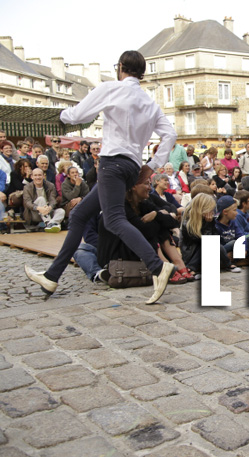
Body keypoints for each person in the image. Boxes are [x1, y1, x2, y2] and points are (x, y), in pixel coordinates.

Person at [25, 50, 177, 304]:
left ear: (120, 67)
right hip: (131, 166)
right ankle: (52, 276)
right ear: (141, 73)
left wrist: (58, 116)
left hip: (112, 163)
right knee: (79, 215)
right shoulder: (150, 103)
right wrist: (151, 166)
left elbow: (78, 115)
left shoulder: (111, 88)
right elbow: (170, 135)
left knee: (114, 219)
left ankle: (157, 266)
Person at [22, 168, 65, 232]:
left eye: (39, 175)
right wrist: (39, 208)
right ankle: (48, 222)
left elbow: (53, 200)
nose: (38, 177)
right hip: (34, 213)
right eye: (35, 175)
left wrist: (49, 207)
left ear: (43, 176)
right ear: (32, 177)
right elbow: (27, 203)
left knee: (61, 211)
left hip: (48, 210)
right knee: (41, 199)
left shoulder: (50, 185)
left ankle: (51, 223)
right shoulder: (27, 187)